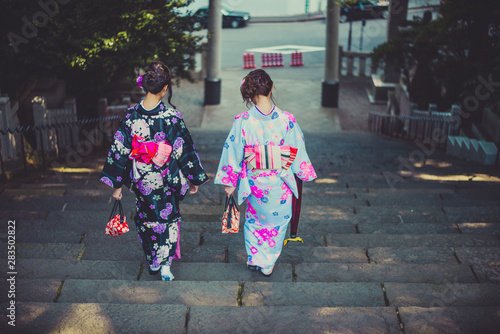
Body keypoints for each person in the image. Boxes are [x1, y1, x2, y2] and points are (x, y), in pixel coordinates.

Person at [100, 61, 208, 281]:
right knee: (168, 217)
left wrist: (117, 185)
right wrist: (193, 177)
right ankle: (166, 264)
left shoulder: (130, 116)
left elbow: (119, 150)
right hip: (166, 178)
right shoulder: (171, 117)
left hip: (142, 179)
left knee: (146, 217)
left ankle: (153, 261)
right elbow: (184, 149)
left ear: (144, 85)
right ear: (165, 88)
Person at [214, 69, 316, 276]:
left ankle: (255, 257)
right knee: (276, 222)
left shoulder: (242, 120)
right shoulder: (287, 120)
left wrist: (230, 180)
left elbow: (232, 150)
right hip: (280, 183)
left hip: (254, 184)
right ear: (271, 88)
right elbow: (298, 149)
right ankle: (266, 261)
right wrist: (303, 171)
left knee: (254, 219)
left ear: (250, 94)